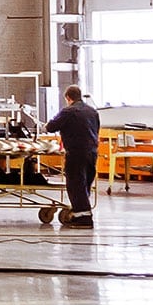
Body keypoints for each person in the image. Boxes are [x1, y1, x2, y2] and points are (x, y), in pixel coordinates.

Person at [47, 84, 100, 228]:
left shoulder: (68, 111)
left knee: (75, 184)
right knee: (85, 183)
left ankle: (83, 219)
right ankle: (81, 212)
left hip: (76, 153)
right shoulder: (92, 112)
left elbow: (50, 127)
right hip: (92, 152)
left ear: (68, 98)